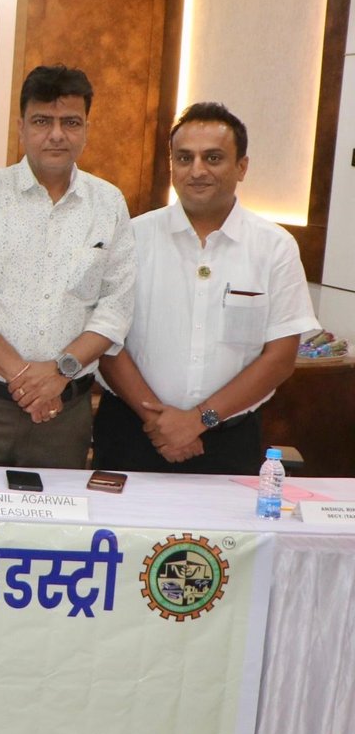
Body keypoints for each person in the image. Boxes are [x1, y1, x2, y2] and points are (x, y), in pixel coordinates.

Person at [96, 103, 316, 473]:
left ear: (242, 167)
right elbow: (104, 339)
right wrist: (160, 423)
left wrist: (199, 419)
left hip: (228, 439)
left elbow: (280, 358)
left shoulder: (274, 247)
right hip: (132, 432)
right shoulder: (132, 237)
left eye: (213, 158)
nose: (197, 170)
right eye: (184, 158)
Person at [0, 64, 135, 468]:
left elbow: (116, 308)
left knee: (58, 511)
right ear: (21, 128)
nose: (57, 134)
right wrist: (26, 379)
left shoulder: (109, 203)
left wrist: (59, 373)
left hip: (65, 413)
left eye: (70, 122)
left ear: (87, 129)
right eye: (42, 121)